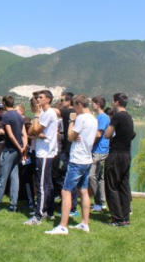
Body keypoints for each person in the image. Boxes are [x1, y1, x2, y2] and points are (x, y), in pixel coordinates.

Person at [46, 95, 97, 235]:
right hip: (87, 158)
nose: (74, 108)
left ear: (80, 104)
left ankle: (63, 226)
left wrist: (73, 121)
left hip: (77, 160)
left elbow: (69, 136)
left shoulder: (80, 118)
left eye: (75, 105)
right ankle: (85, 223)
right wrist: (76, 135)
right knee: (83, 191)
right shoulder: (93, 118)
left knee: (66, 191)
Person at [0, 95, 27, 213]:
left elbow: (10, 134)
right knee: (14, 177)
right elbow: (24, 134)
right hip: (17, 151)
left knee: (2, 178)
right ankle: (13, 205)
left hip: (9, 150)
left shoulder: (6, 116)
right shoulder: (19, 116)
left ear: (4, 103)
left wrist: (18, 147)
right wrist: (23, 148)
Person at [24, 90, 59, 225]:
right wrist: (36, 130)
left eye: (41, 97)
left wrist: (37, 116)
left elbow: (35, 130)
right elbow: (30, 132)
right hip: (43, 152)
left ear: (48, 100)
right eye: (37, 97)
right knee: (47, 184)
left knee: (42, 185)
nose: (38, 99)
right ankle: (48, 211)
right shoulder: (44, 114)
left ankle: (38, 216)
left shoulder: (47, 113)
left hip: (45, 153)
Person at [104, 93, 135, 226]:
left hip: (116, 154)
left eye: (112, 101)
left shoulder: (117, 117)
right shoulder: (129, 117)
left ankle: (117, 218)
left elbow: (107, 134)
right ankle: (125, 217)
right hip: (127, 155)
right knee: (123, 185)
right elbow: (132, 134)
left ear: (116, 102)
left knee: (111, 186)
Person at [56, 92, 79, 217]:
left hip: (67, 151)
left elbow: (54, 110)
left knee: (64, 177)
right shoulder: (74, 113)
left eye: (62, 100)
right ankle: (68, 204)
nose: (60, 102)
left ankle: (71, 207)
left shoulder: (68, 112)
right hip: (68, 150)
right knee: (65, 177)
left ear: (69, 102)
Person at [89, 96, 110, 212]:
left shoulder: (103, 117)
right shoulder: (100, 117)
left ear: (98, 104)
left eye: (93, 103)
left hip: (99, 151)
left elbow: (98, 134)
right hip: (99, 150)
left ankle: (98, 202)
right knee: (100, 178)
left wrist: (89, 145)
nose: (92, 105)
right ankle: (102, 202)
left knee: (92, 176)